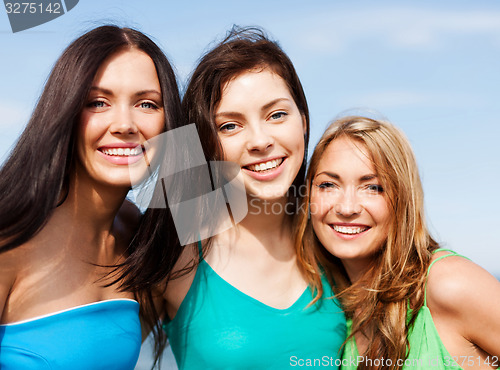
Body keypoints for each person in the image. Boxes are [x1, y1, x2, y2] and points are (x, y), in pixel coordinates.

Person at [123, 26, 346, 369]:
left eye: (276, 115)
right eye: (230, 125)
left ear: (303, 120)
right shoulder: (176, 254)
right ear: (207, 145)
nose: (259, 140)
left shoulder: (340, 241)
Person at [0, 25, 181, 369]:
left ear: (169, 122)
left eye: (147, 104)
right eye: (98, 102)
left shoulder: (139, 236)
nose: (125, 124)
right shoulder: (10, 234)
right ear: (64, 111)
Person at [296, 115, 500, 369]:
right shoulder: (334, 310)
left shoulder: (450, 284)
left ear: (403, 199)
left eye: (373, 187)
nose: (346, 207)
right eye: (328, 184)